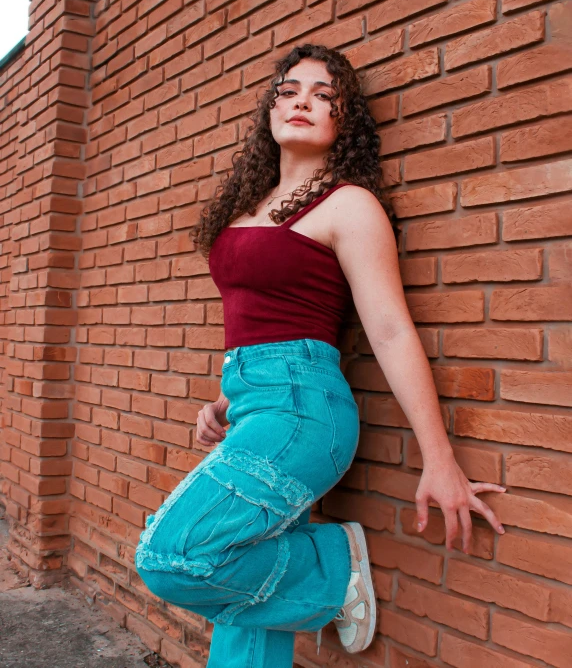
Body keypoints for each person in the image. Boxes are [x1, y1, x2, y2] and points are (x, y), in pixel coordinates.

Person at [135, 43, 507, 667]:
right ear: (270, 110)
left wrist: (438, 459)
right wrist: (231, 395)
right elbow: (267, 315)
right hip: (257, 405)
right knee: (244, 610)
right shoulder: (247, 210)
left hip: (305, 414)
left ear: (345, 122)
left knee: (174, 556)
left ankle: (332, 569)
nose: (302, 101)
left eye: (324, 95)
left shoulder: (347, 204)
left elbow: (389, 331)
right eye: (289, 90)